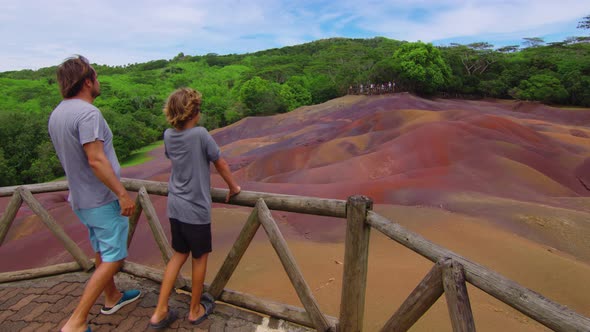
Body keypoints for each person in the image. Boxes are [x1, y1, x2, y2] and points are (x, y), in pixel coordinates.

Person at [48, 55, 140, 332]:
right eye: (96, 77)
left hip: (80, 199)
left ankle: (112, 297)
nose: (99, 82)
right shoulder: (89, 114)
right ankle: (76, 320)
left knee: (101, 249)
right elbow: (96, 159)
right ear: (87, 81)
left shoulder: (58, 113)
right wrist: (122, 194)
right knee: (115, 257)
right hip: (101, 199)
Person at [148, 87, 241, 329]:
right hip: (196, 209)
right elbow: (220, 162)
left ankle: (159, 312)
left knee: (178, 256)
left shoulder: (168, 135)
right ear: (194, 112)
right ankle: (194, 309)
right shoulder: (200, 134)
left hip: (175, 207)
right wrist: (233, 187)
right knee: (199, 259)